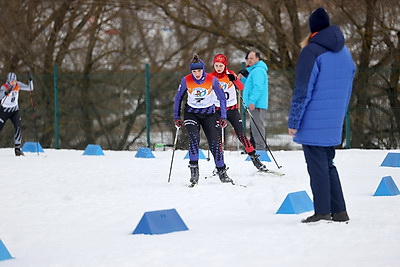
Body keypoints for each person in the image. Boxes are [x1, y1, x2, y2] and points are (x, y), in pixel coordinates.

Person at [288, 7, 356, 223]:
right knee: (328, 164)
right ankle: (339, 211)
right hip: (334, 118)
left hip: (312, 119)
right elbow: (348, 85)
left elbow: (303, 90)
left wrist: (294, 120)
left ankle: (322, 211)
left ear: (312, 29)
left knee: (317, 165)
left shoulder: (311, 51)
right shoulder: (344, 52)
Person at [174, 54, 232, 186]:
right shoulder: (186, 80)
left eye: (199, 71)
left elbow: (222, 98)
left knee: (214, 143)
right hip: (191, 114)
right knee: (194, 139)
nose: (197, 74)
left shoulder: (212, 80)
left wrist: (223, 116)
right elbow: (178, 98)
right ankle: (194, 172)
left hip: (209, 114)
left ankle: (222, 172)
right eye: (194, 71)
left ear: (203, 69)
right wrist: (177, 116)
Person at [210, 53, 268, 171]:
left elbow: (241, 87)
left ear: (224, 65)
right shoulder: (210, 77)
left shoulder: (230, 74)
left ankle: (256, 160)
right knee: (217, 138)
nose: (218, 68)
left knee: (242, 135)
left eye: (221, 65)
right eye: (216, 65)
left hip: (232, 109)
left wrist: (235, 79)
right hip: (217, 110)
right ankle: (219, 165)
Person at [237, 51, 268, 151]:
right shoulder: (253, 71)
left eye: (251, 58)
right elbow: (249, 86)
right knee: (254, 128)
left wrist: (252, 101)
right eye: (247, 59)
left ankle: (261, 149)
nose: (249, 60)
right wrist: (242, 79)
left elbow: (258, 87)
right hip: (254, 103)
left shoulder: (258, 71)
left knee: (257, 128)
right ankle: (258, 148)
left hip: (257, 104)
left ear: (258, 59)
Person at [0, 72, 33, 156]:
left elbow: (30, 88)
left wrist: (30, 80)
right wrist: (5, 93)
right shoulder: (4, 87)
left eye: (14, 81)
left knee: (18, 127)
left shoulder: (18, 85)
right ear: (8, 81)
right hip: (4, 111)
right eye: (11, 81)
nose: (13, 83)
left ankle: (17, 149)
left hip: (14, 111)